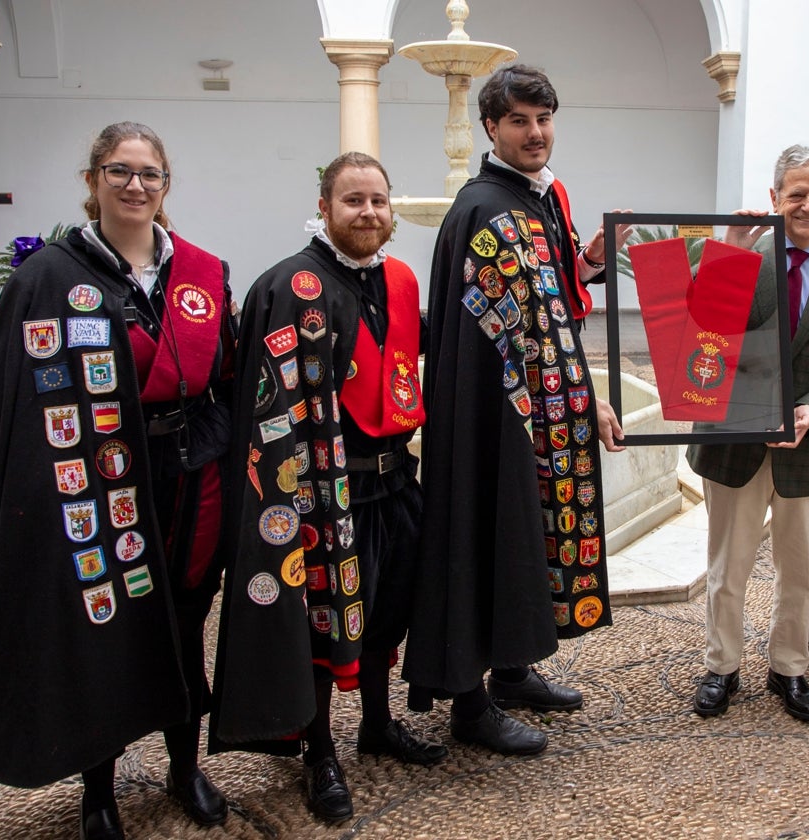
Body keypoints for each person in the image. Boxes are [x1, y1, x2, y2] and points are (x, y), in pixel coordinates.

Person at [0, 121, 234, 840]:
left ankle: (184, 767)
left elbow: (232, 378)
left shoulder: (203, 274)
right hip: (96, 485)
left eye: (148, 173)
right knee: (100, 626)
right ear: (92, 182)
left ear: (165, 184)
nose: (135, 185)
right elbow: (9, 398)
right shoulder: (48, 278)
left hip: (188, 480)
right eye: (119, 171)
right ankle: (99, 792)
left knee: (184, 621)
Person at [211, 152, 445, 824]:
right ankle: (319, 752)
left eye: (378, 200)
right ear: (324, 206)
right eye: (353, 201)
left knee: (385, 614)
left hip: (398, 479)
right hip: (322, 494)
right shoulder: (288, 285)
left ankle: (377, 724)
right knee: (319, 622)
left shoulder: (398, 280)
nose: (368, 212)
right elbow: (262, 406)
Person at [402, 64, 625, 756]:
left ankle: (512, 671)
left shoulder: (535, 198)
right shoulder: (484, 208)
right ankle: (469, 705)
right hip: (496, 422)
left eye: (544, 119)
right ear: (490, 128)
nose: (536, 133)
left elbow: (548, 301)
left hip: (536, 412)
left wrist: (584, 262)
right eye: (520, 121)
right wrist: (514, 421)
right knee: (481, 535)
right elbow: (486, 341)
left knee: (520, 540)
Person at [686, 145, 809, 724]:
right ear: (775, 198)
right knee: (728, 566)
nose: (807, 205)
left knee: (799, 569)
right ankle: (722, 665)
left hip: (808, 444)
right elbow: (700, 330)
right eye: (796, 193)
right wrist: (729, 256)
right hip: (736, 441)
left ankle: (789, 667)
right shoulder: (737, 256)